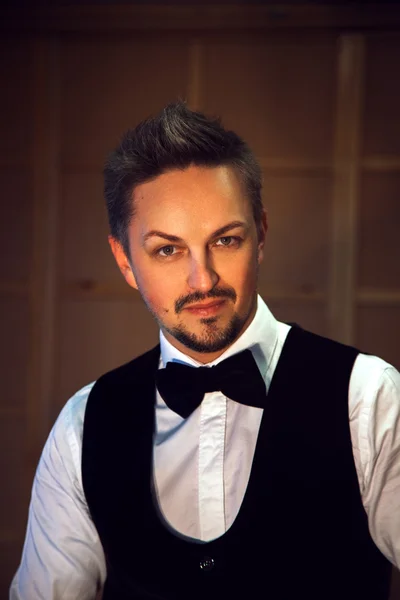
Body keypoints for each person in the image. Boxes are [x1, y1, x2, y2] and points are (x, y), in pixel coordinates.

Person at [10, 102, 400, 600]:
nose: (203, 279)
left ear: (259, 235)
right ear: (125, 261)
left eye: (226, 240)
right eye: (167, 250)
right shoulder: (82, 426)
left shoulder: (367, 398)